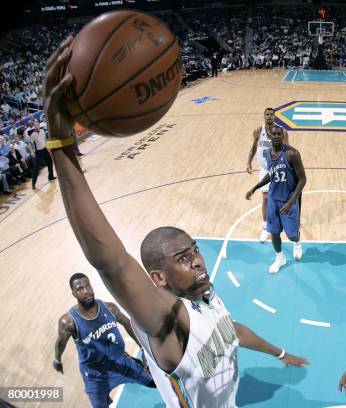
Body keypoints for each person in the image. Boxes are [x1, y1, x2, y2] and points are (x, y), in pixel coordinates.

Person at [44, 36, 308, 408]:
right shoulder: (167, 319)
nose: (198, 260)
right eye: (182, 258)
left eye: (195, 251)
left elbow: (231, 333)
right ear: (158, 278)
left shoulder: (204, 295)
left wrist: (280, 354)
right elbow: (111, 262)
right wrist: (60, 145)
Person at [53, 273, 155, 408]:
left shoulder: (109, 308)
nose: (86, 291)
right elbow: (60, 343)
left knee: (155, 381)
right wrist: (57, 360)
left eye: (87, 285)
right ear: (73, 294)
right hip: (95, 375)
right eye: (80, 289)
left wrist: (143, 349)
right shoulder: (68, 322)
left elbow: (128, 324)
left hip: (120, 361)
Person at [246, 125, 307, 273]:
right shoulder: (267, 153)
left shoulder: (292, 154)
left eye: (280, 134)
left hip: (288, 200)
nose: (278, 136)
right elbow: (271, 174)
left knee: (292, 235)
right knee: (273, 232)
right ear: (270, 136)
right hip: (273, 199)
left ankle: (297, 243)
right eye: (275, 134)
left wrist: (291, 202)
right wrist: (255, 187)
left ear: (282, 135)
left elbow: (303, 180)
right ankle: (280, 259)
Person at [246, 108, 289, 243]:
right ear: (264, 116)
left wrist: (288, 167)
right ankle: (266, 227)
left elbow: (287, 149)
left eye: (271, 114)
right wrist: (249, 162)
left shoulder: (282, 132)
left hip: (278, 168)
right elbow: (253, 147)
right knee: (265, 198)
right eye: (267, 114)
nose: (269, 116)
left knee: (279, 198)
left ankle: (282, 223)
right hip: (264, 169)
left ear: (275, 117)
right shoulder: (258, 131)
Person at [28, 120, 56, 189]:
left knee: (50, 162)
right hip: (38, 152)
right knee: (36, 168)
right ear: (34, 127)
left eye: (37, 125)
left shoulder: (43, 131)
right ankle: (33, 183)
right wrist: (32, 152)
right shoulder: (33, 135)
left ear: (39, 126)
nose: (36, 126)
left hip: (45, 149)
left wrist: (48, 145)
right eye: (35, 126)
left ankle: (51, 176)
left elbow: (45, 139)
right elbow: (29, 144)